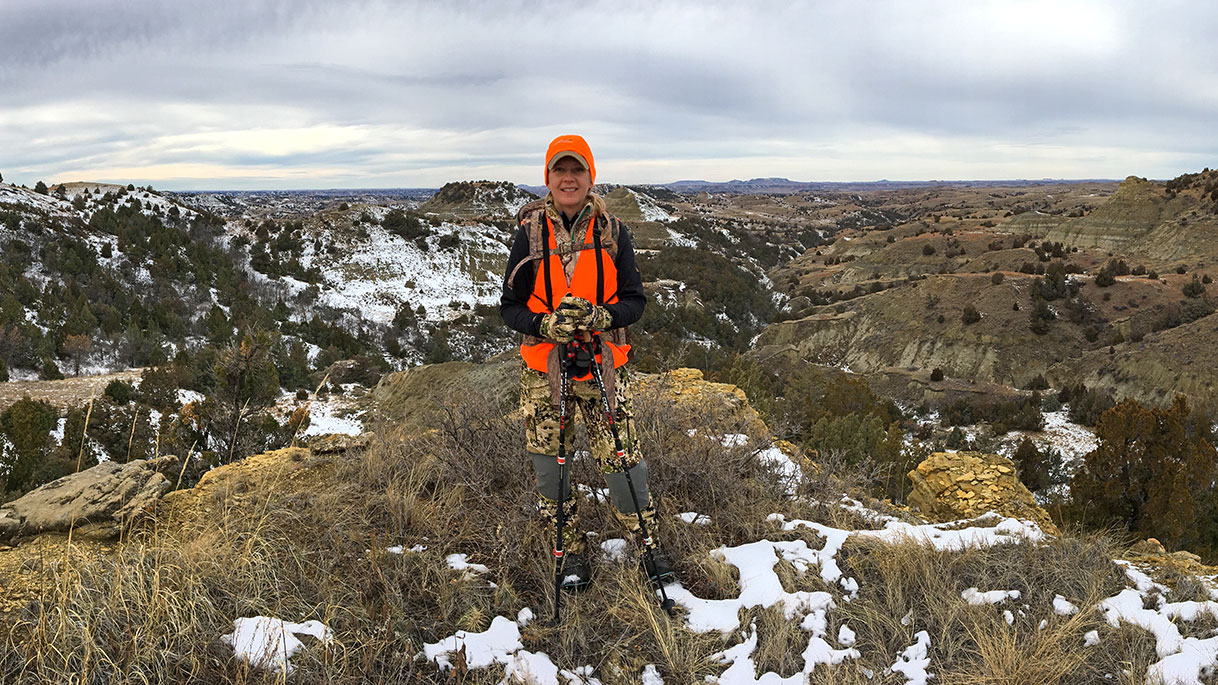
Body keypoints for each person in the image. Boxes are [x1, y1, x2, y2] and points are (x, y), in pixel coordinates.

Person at [499, 134, 672, 590]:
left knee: (623, 461)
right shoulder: (530, 234)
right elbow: (509, 307)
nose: (569, 178)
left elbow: (636, 301)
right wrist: (544, 326)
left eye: (577, 170)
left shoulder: (614, 232)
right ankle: (570, 553)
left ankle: (646, 547)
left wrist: (603, 316)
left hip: (604, 365)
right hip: (543, 369)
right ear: (548, 178)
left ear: (590, 176)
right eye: (561, 170)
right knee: (550, 468)